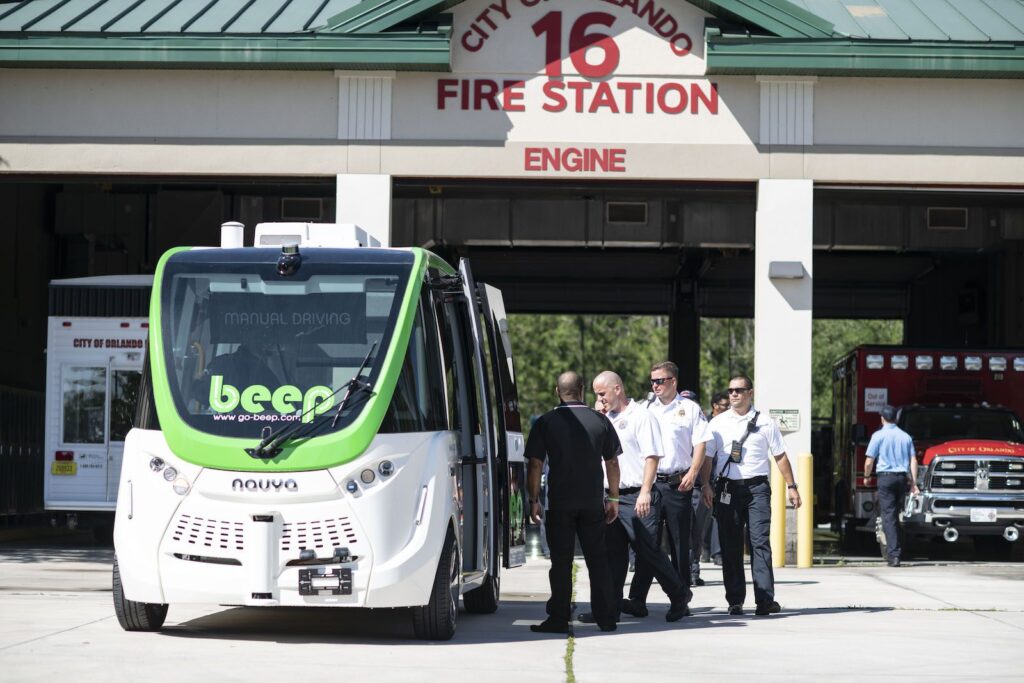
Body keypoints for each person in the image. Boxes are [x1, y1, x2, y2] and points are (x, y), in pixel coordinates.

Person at [580, 370, 691, 623]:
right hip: (612, 495)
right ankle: (609, 607)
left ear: (617, 389)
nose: (600, 399)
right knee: (613, 555)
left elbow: (652, 456)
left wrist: (645, 491)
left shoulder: (641, 416)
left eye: (602, 393)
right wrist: (600, 416)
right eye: (596, 395)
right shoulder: (604, 418)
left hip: (636, 494)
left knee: (647, 550)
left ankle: (679, 593)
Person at [526, 371, 622, 634]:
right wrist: (613, 497)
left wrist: (534, 499)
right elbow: (612, 462)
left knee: (561, 563)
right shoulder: (600, 421)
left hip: (559, 503)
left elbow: (535, 464)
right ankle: (607, 618)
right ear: (582, 390)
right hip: (592, 502)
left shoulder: (546, 422)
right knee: (598, 561)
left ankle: (558, 618)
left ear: (557, 392)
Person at [709, 374, 801, 616]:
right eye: (730, 391)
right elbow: (707, 457)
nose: (733, 395)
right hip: (727, 489)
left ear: (750, 393)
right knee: (731, 546)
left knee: (760, 543)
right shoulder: (717, 423)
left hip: (757, 489)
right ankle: (735, 600)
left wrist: (792, 486)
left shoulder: (766, 423)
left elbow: (780, 456)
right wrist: (706, 486)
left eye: (739, 390)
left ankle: (764, 599)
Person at [627, 362, 713, 609]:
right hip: (651, 486)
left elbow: (701, 444)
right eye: (652, 381)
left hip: (678, 484)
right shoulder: (644, 409)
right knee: (646, 542)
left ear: (673, 381)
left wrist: (694, 473)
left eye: (660, 381)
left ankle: (680, 598)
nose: (655, 385)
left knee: (679, 544)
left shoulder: (689, 409)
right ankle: (637, 599)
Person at [863, 404, 919, 567]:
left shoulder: (878, 436)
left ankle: (894, 555)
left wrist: (867, 476)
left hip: (885, 479)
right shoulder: (906, 437)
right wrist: (914, 483)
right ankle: (898, 549)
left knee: (888, 516)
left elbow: (869, 461)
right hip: (902, 478)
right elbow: (913, 461)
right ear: (895, 418)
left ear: (882, 418)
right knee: (896, 515)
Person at [700, 391, 730, 567]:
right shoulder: (706, 424)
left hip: (722, 476)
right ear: (715, 406)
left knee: (718, 515)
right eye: (725, 405)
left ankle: (717, 553)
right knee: (704, 516)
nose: (727, 409)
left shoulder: (729, 424)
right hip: (706, 476)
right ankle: (704, 549)